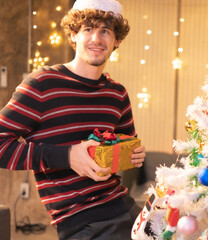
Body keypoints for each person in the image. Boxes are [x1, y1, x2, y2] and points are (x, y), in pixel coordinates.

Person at [0, 0, 145, 239]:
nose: (96, 39)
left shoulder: (117, 93)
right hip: (81, 222)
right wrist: (68, 156)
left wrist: (132, 154)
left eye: (105, 31)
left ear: (116, 41)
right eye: (88, 29)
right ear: (74, 35)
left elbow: (124, 144)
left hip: (125, 206)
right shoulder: (42, 84)